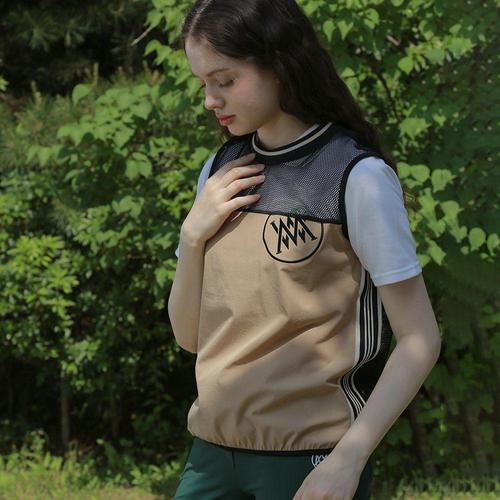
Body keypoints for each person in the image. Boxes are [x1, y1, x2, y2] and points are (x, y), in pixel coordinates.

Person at [167, 1, 442, 499]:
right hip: (210, 453)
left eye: (224, 80)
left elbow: (420, 338)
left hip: (309, 460)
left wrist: (349, 458)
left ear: (279, 64)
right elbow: (190, 337)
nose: (210, 99)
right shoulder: (220, 171)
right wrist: (192, 236)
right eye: (202, 83)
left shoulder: (357, 178)